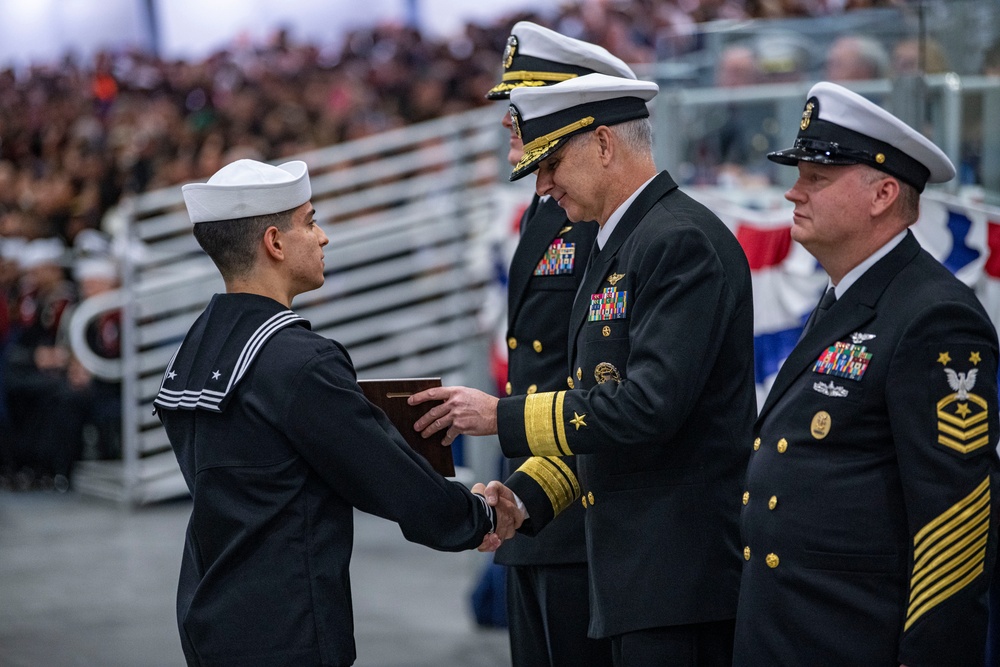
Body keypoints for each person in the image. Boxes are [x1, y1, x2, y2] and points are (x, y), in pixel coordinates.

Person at [411, 73, 756, 666]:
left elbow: (646, 407)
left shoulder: (679, 242)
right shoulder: (621, 242)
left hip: (679, 579)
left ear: (602, 144)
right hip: (633, 574)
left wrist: (502, 417)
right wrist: (525, 500)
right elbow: (595, 418)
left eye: (551, 164)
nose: (542, 186)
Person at [153, 159, 524, 667]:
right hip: (287, 627)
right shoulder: (297, 361)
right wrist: (476, 515)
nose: (322, 236)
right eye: (309, 221)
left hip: (210, 609)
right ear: (274, 243)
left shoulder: (197, 346)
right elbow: (386, 476)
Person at [734, 81, 1000, 666]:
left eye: (817, 179)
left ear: (882, 194)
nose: (792, 194)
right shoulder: (848, 294)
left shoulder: (935, 316)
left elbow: (954, 516)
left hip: (853, 638)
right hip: (791, 627)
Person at [484, 20, 635, 667]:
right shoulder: (548, 208)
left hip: (577, 507)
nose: (508, 123)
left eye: (523, 108)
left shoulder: (602, 216)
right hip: (530, 499)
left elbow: (605, 375)